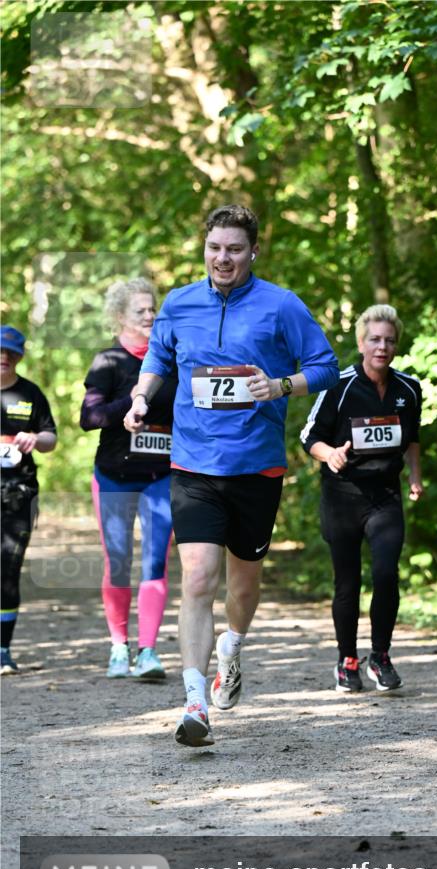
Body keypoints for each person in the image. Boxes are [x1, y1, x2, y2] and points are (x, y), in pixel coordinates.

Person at [123, 204, 339, 747]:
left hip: (256, 467)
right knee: (197, 580)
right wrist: (141, 395)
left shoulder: (280, 305)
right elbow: (159, 359)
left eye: (235, 249)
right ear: (205, 248)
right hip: (193, 464)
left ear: (253, 252)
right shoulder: (179, 303)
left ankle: (232, 648)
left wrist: (282, 386)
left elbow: (326, 366)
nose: (224, 258)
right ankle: (195, 703)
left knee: (243, 585)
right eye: (216, 247)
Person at [301, 304, 423, 694]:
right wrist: (330, 453)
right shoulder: (339, 384)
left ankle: (381, 656)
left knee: (387, 573)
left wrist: (416, 478)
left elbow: (414, 439)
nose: (381, 347)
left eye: (388, 340)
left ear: (396, 344)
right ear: (361, 342)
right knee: (347, 583)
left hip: (385, 496)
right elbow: (308, 436)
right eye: (374, 339)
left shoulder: (409, 388)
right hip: (342, 496)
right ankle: (347, 659)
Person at [81, 278, 177, 681]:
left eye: (153, 309)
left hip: (161, 476)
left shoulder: (171, 361)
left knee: (156, 561)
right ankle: (119, 647)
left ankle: (149, 652)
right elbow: (89, 418)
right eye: (141, 311)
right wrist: (134, 397)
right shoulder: (108, 362)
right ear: (120, 317)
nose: (150, 316)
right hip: (114, 475)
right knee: (118, 562)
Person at [1, 325, 57, 675]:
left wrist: (35, 438)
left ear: (19, 356)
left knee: (7, 572)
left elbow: (52, 438)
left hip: (17, 495)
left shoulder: (30, 393)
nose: (3, 358)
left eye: (10, 353)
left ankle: (2, 649)